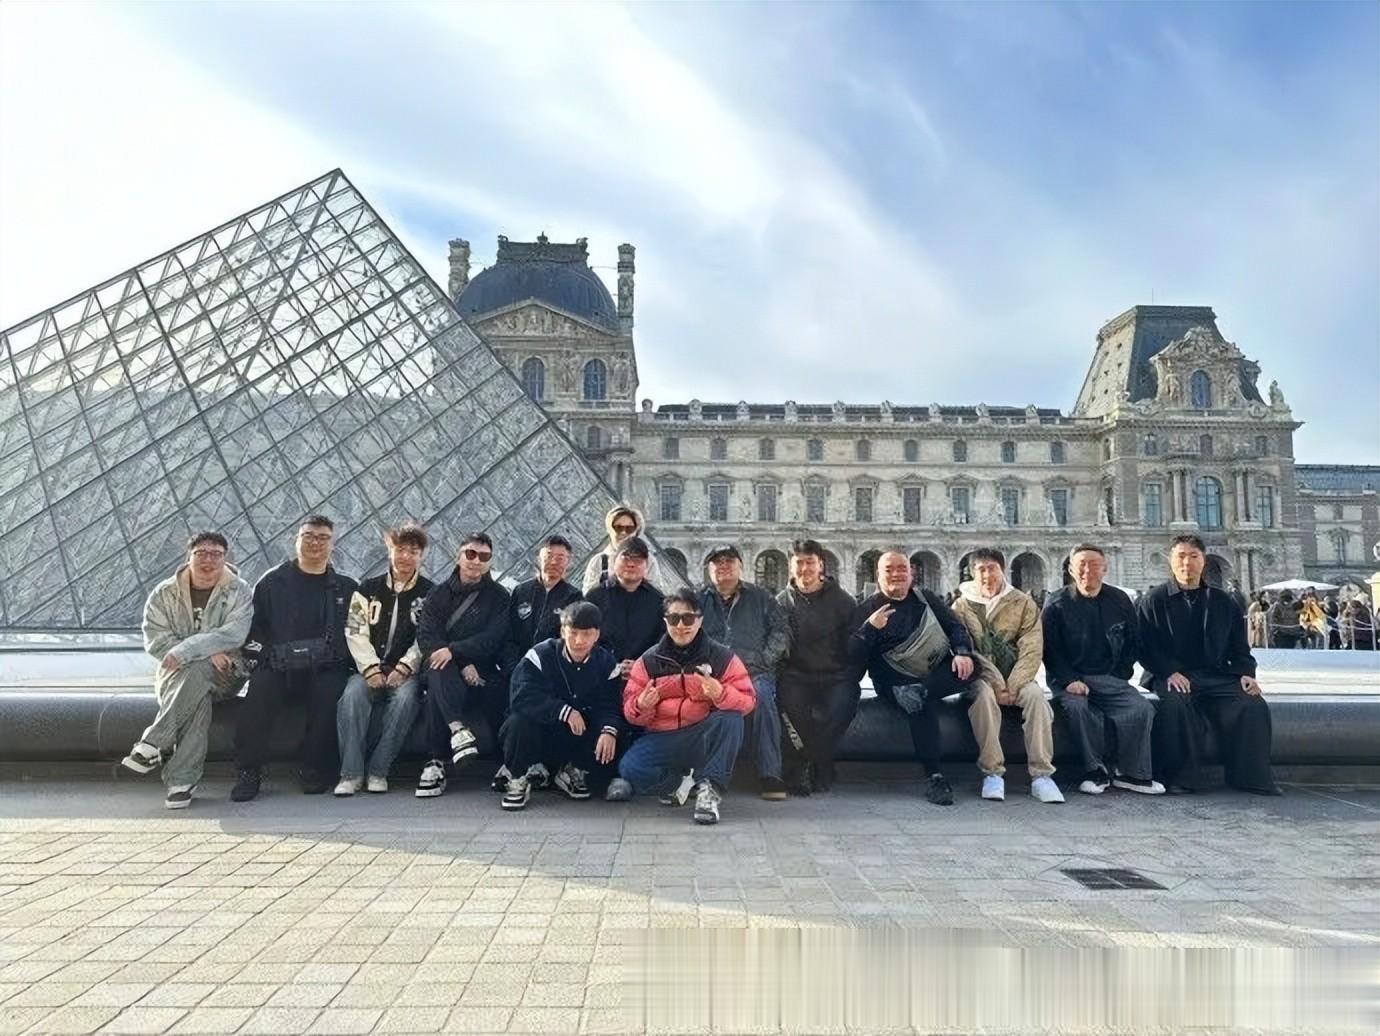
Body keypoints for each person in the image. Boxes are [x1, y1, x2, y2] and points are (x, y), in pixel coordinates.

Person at [1140, 535, 1281, 796]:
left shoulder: (1223, 601)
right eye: (1181, 556)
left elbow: (1239, 646)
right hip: (1170, 674)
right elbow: (1145, 646)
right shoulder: (1154, 599)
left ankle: (1250, 777)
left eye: (1194, 556)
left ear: (1203, 561)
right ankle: (1181, 778)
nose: (1187, 563)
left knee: (1252, 704)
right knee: (1176, 704)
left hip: (1215, 675)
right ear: (1170, 561)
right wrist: (1169, 671)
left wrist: (1246, 673)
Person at [232, 516, 358, 802]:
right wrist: (267, 655)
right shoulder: (270, 582)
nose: (315, 542)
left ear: (333, 543)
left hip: (325, 667)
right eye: (309, 536)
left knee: (330, 694)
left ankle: (313, 767)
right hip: (278, 666)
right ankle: (248, 771)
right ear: (296, 539)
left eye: (323, 537)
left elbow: (356, 633)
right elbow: (252, 628)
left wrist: (339, 657)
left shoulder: (347, 587)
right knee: (258, 692)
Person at [124, 532, 253, 809]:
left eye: (216, 554)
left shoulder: (239, 591)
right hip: (180, 675)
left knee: (197, 670)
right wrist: (206, 650)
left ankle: (154, 743)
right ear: (189, 556)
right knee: (197, 692)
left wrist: (187, 650)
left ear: (226, 557)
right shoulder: (164, 593)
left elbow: (235, 634)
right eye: (201, 553)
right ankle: (181, 783)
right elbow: (157, 640)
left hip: (227, 671)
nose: (208, 560)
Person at [604, 590, 756, 825]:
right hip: (663, 737)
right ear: (665, 621)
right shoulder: (648, 661)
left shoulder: (722, 657)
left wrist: (721, 693)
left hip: (702, 735)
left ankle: (710, 789)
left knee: (731, 719)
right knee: (630, 768)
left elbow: (747, 701)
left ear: (700, 620)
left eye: (688, 618)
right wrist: (641, 705)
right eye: (674, 619)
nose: (681, 625)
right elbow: (630, 711)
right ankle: (682, 782)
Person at [848, 551, 980, 806]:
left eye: (902, 568)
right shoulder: (866, 608)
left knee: (973, 668)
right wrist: (869, 628)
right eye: (889, 569)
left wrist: (962, 652)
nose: (896, 574)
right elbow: (853, 655)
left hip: (930, 674)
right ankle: (934, 774)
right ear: (878, 575)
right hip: (893, 680)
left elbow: (955, 627)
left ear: (911, 573)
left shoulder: (925, 598)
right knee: (919, 704)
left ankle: (922, 690)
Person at [1041, 544, 1163, 796]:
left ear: (1105, 568)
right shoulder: (1056, 603)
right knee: (1078, 709)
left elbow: (1133, 641)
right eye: (1082, 565)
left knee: (1141, 709)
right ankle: (1094, 771)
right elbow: (1050, 649)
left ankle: (1131, 773)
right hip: (1071, 680)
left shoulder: (1119, 599)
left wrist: (1119, 674)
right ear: (1070, 570)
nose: (1088, 570)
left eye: (1094, 564)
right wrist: (1068, 679)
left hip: (1109, 678)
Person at [949, 549, 1063, 804]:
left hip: (1017, 676)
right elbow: (968, 650)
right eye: (981, 569)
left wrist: (1013, 684)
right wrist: (998, 684)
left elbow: (1032, 648)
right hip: (981, 678)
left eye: (992, 568)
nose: (987, 575)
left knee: (1036, 698)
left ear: (1003, 570)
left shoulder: (1023, 603)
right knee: (984, 698)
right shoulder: (961, 606)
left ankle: (1042, 774)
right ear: (972, 573)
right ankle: (992, 772)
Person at [335, 523, 435, 796]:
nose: (406, 557)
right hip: (368, 668)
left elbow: (427, 636)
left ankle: (379, 770)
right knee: (352, 696)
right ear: (389, 550)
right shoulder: (366, 588)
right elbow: (355, 630)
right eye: (400, 550)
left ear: (422, 555)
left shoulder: (431, 592)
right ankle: (351, 773)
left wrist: (405, 666)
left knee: (405, 700)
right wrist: (370, 668)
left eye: (413, 551)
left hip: (406, 672)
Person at [414, 533, 511, 798]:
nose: (476, 561)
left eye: (484, 556)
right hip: (447, 669)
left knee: (499, 687)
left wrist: (456, 652)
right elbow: (427, 636)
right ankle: (446, 744)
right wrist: (462, 662)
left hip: (483, 670)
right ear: (457, 556)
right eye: (470, 554)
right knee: (438, 671)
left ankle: (504, 760)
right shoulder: (438, 594)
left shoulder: (499, 596)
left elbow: (494, 638)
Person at [498, 602, 622, 811]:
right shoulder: (539, 656)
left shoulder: (606, 662)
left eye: (587, 634)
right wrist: (563, 711)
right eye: (573, 633)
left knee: (609, 730)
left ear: (597, 635)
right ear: (563, 631)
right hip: (540, 731)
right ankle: (518, 776)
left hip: (574, 734)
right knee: (518, 721)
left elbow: (609, 704)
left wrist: (609, 730)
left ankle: (572, 769)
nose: (579, 641)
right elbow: (521, 697)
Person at [492, 534, 584, 793]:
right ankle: (518, 763)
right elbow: (509, 636)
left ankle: (526, 764)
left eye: (561, 558)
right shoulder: (521, 592)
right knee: (510, 708)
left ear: (569, 562)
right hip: (517, 669)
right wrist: (513, 668)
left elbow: (568, 643)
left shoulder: (573, 596)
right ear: (538, 557)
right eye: (549, 556)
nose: (554, 562)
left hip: (552, 673)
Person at [698, 545, 790, 800]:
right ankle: (699, 774)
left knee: (762, 696)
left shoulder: (761, 597)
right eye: (717, 562)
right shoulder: (697, 600)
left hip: (754, 673)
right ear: (708, 569)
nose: (723, 566)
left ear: (741, 566)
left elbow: (781, 631)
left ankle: (770, 773)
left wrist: (764, 659)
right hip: (713, 675)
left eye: (729, 561)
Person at [776, 539, 860, 794]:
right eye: (799, 563)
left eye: (810, 562)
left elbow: (853, 646)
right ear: (791, 566)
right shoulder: (781, 602)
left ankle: (809, 762)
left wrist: (850, 675)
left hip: (836, 676)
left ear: (821, 565)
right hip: (796, 675)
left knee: (841, 707)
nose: (804, 569)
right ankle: (821, 765)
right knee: (792, 709)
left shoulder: (844, 601)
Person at [584, 537, 665, 688]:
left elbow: (662, 642)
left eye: (638, 560)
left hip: (644, 681)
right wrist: (612, 665)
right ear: (614, 561)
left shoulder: (658, 601)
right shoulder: (594, 598)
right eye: (626, 558)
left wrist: (640, 666)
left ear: (647, 566)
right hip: (600, 678)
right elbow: (585, 638)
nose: (631, 564)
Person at [581, 504, 664, 593]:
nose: (623, 532)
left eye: (629, 528)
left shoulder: (649, 560)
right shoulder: (598, 561)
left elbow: (657, 593)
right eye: (618, 528)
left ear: (636, 531)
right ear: (609, 529)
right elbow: (589, 595)